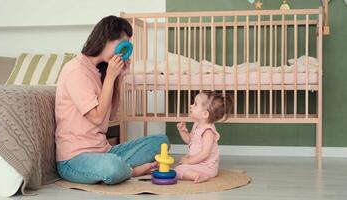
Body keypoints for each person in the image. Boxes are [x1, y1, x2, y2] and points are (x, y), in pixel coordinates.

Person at [55, 15, 169, 185]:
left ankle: (119, 167)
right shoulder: (76, 70)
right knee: (112, 166)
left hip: (103, 151)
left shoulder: (99, 71)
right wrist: (110, 77)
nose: (122, 53)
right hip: (74, 159)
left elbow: (111, 115)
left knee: (161, 142)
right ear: (106, 39)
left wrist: (118, 78)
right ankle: (129, 171)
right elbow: (96, 117)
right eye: (121, 45)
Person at [175, 91, 233, 183]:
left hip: (207, 167)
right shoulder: (197, 124)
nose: (191, 105)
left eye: (195, 104)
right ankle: (193, 172)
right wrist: (182, 131)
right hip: (198, 163)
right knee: (179, 168)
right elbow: (190, 140)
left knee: (178, 170)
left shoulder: (208, 132)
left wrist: (189, 161)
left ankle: (198, 176)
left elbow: (205, 154)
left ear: (205, 114)